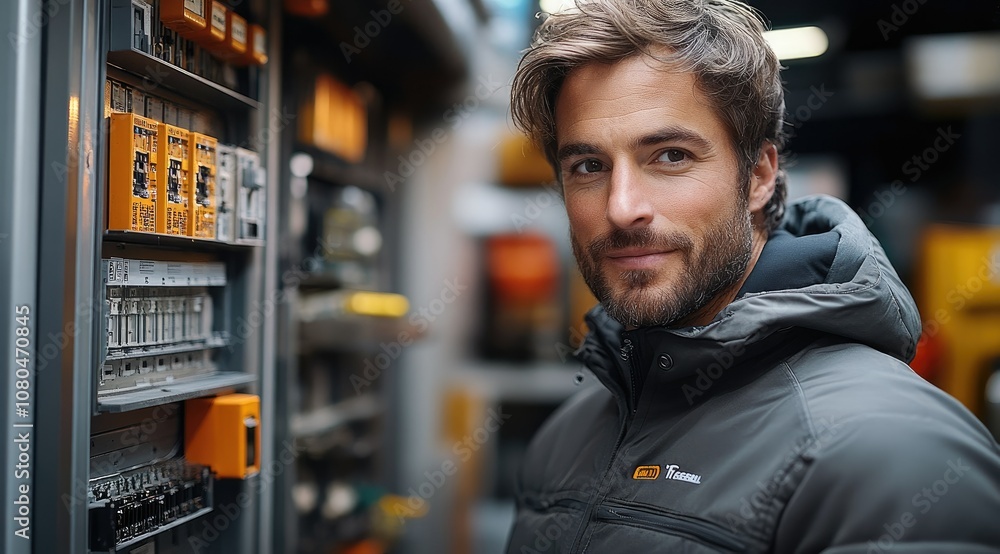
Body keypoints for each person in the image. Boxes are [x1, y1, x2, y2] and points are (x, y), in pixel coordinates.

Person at [504, 1, 1000, 552]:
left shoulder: (893, 452)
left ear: (759, 176)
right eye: (588, 167)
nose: (622, 208)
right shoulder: (566, 437)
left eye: (670, 156)